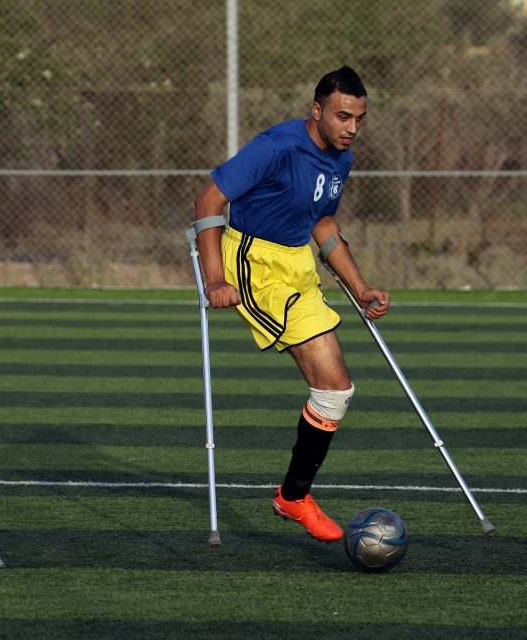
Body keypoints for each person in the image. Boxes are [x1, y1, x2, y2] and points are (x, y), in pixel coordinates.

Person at [193, 66, 389, 542]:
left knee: (336, 392)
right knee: (328, 383)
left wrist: (360, 288)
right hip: (253, 264)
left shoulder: (343, 159)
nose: (351, 128)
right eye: (343, 116)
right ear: (317, 110)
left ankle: (293, 496)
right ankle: (296, 497)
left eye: (359, 119)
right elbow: (208, 201)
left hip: (298, 265)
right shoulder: (275, 146)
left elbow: (323, 223)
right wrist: (214, 279)